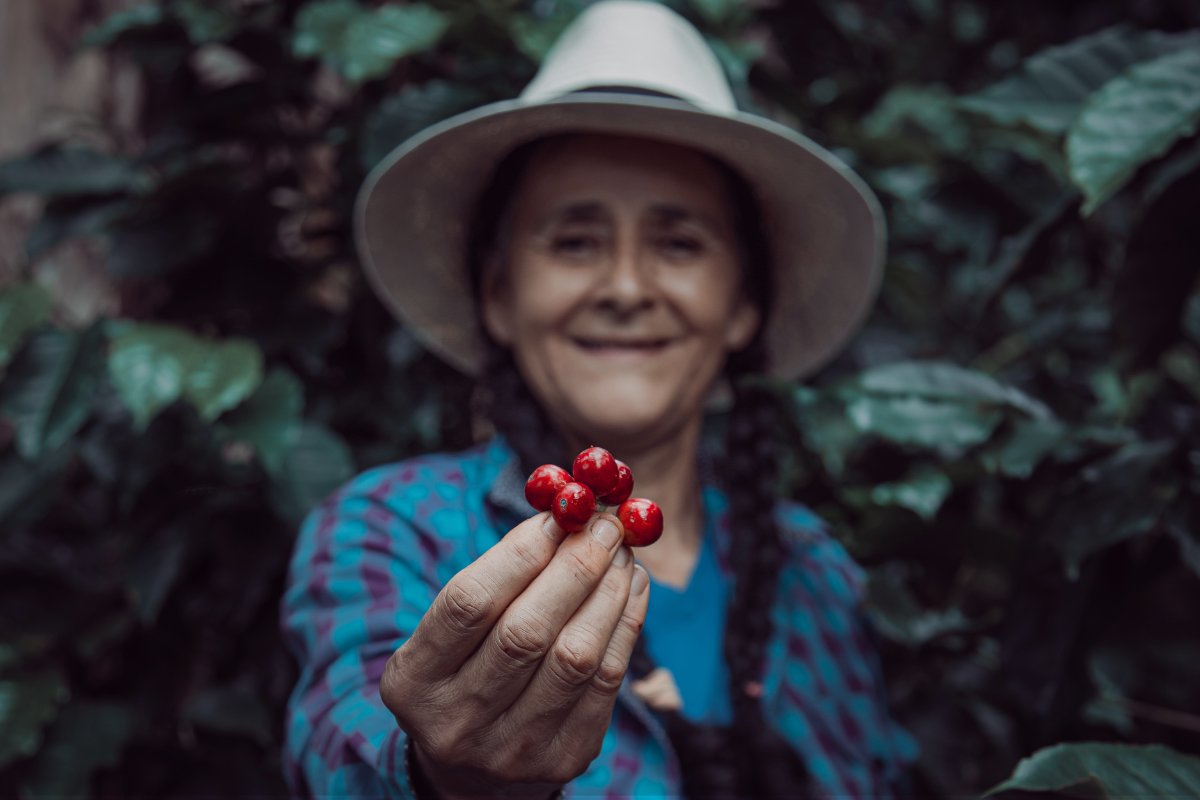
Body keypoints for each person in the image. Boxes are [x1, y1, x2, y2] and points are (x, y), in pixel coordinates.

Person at [281, 1, 916, 797]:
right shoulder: (394, 526)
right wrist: (439, 775)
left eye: (679, 244)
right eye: (574, 242)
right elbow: (345, 740)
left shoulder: (817, 571)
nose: (624, 287)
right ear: (500, 294)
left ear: (743, 303)